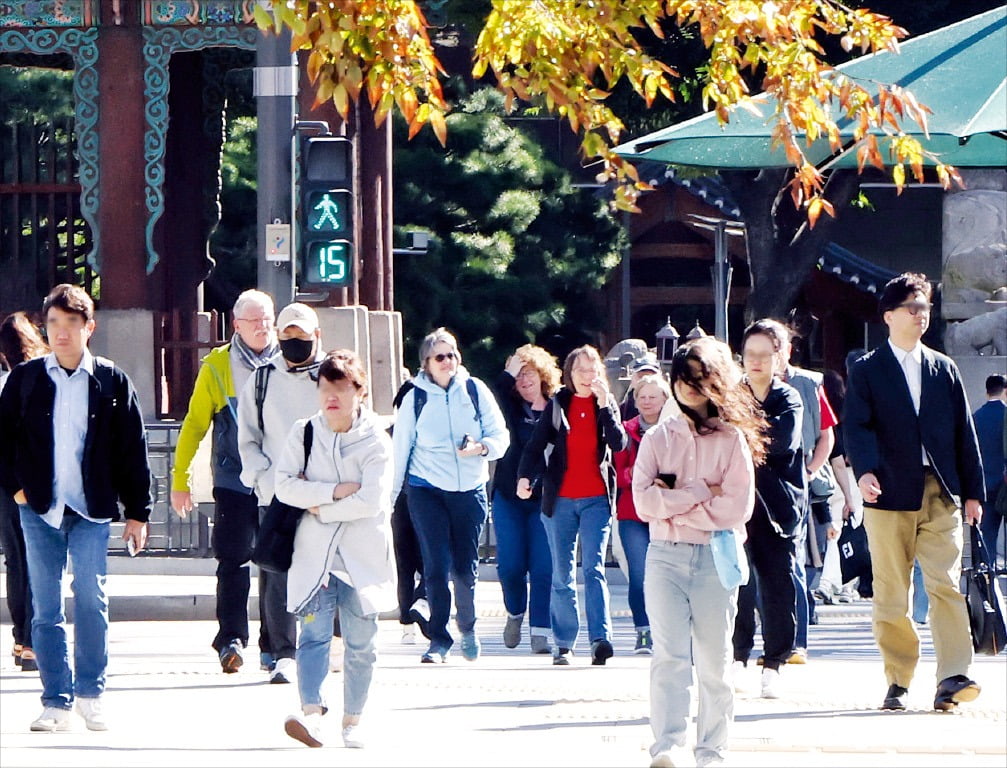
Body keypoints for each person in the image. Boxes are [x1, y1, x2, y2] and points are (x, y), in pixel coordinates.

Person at [0, 284, 152, 732]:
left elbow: (132, 450)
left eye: (71, 324)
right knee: (44, 608)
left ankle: (91, 692)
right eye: (53, 324)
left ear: (90, 327)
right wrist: (17, 491)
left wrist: (138, 512)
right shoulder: (27, 379)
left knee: (91, 597)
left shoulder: (111, 380)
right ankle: (56, 700)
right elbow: (2, 442)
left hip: (91, 508)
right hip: (39, 508)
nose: (61, 333)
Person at [843, 272, 985, 712]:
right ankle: (899, 679)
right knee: (892, 592)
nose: (920, 315)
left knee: (945, 582)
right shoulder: (866, 369)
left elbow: (965, 430)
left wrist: (973, 492)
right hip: (886, 493)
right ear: (888, 316)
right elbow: (857, 426)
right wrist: (864, 471)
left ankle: (953, 676)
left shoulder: (944, 367)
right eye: (911, 307)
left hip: (940, 491)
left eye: (924, 307)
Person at [634, 337, 763, 768]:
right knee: (668, 657)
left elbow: (735, 508)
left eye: (698, 379)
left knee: (714, 660)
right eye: (682, 379)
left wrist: (676, 506)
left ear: (715, 383)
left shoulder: (732, 441)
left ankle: (711, 751)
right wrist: (695, 494)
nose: (688, 388)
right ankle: (667, 746)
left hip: (714, 558)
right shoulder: (657, 437)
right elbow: (642, 502)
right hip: (663, 557)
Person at [275, 350, 396, 749]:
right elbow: (285, 485)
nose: (331, 397)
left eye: (340, 389)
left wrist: (321, 509)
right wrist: (334, 491)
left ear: (359, 391)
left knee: (362, 644)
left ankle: (353, 719)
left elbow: (372, 500)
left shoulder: (377, 439)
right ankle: (313, 717)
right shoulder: (304, 432)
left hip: (362, 559)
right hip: (315, 558)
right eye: (325, 388)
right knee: (312, 638)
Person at [170, 290, 279, 674]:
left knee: (275, 562)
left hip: (279, 481)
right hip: (234, 481)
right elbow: (195, 425)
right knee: (232, 559)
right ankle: (230, 639)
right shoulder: (217, 366)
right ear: (236, 326)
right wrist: (179, 478)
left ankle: (275, 644)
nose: (264, 327)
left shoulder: (288, 361)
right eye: (255, 320)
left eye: (268, 319)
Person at [390, 328, 509, 663]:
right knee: (436, 566)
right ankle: (438, 639)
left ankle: (468, 626)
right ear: (426, 363)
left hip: (469, 490)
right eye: (440, 356)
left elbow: (501, 435)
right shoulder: (415, 396)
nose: (448, 361)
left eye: (452, 354)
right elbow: (401, 450)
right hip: (425, 488)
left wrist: (481, 448)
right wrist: (391, 498)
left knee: (464, 569)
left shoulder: (475, 390)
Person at [517, 344, 628, 666]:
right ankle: (564, 642)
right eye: (581, 370)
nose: (588, 376)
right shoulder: (559, 404)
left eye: (593, 370)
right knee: (562, 575)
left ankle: (600, 639)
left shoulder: (606, 404)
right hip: (561, 499)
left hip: (596, 499)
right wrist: (525, 477)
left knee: (593, 569)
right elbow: (536, 446)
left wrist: (606, 406)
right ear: (570, 374)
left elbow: (619, 443)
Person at [237, 302, 327, 684]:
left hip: (324, 493)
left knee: (325, 571)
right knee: (276, 571)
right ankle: (283, 651)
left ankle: (321, 643)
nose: (294, 342)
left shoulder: (333, 375)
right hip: (275, 492)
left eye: (301, 335)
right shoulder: (261, 379)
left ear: (316, 336)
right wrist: (261, 477)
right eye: (287, 334)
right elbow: (248, 437)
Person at [732, 319, 805, 699]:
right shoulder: (733, 396)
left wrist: (745, 431)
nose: (756, 362)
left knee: (777, 585)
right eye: (750, 355)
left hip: (778, 507)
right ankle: (738, 656)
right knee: (738, 583)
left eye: (765, 355)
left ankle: (774, 662)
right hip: (737, 505)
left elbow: (780, 444)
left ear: (779, 357)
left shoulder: (789, 398)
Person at [491, 344, 561, 654]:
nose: (524, 380)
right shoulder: (508, 407)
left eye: (529, 372)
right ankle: (515, 612)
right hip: (509, 497)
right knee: (510, 566)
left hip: (545, 500)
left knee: (543, 567)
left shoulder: (558, 409)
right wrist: (510, 369)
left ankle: (540, 631)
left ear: (543, 374)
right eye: (518, 375)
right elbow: (498, 390)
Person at [777, 328, 839, 659]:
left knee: (795, 559)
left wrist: (811, 469)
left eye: (776, 348)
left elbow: (826, 435)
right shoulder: (742, 387)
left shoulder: (810, 384)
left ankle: (796, 641)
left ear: (788, 349)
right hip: (755, 478)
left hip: (798, 475)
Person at [0, 312, 49, 673]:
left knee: (16, 559)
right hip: (37, 477)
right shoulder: (43, 374)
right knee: (37, 559)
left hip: (5, 482)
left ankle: (23, 640)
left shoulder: (7, 380)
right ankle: (31, 639)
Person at [614, 373, 671, 654]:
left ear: (664, 399)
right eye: (642, 397)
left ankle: (667, 631)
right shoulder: (626, 430)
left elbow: (681, 470)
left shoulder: (674, 429)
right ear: (635, 402)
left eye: (653, 397)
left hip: (668, 512)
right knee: (639, 574)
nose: (647, 402)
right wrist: (639, 474)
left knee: (668, 575)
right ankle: (643, 631)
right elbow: (619, 473)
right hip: (632, 513)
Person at [390, 376, 429, 645]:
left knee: (406, 566)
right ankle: (417, 609)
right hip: (410, 502)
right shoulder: (423, 431)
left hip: (403, 504)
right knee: (426, 562)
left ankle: (408, 622)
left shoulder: (391, 432)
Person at [973, 373, 1006, 562]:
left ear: (987, 392)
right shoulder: (1005, 416)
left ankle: (988, 578)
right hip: (1005, 483)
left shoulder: (976, 417)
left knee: (988, 535)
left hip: (985, 484)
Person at [620, 352, 661, 420]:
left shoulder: (668, 405)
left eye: (650, 377)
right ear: (633, 379)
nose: (645, 381)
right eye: (641, 377)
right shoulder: (624, 407)